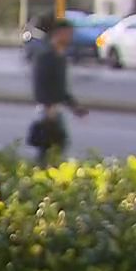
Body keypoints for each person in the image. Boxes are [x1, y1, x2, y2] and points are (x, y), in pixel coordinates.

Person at [30, 18, 88, 165]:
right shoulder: (46, 55)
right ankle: (43, 170)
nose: (70, 38)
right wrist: (48, 106)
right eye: (68, 34)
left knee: (57, 144)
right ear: (58, 34)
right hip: (47, 110)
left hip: (56, 108)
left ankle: (47, 169)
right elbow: (40, 83)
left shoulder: (60, 56)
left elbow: (61, 88)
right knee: (49, 145)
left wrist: (75, 106)